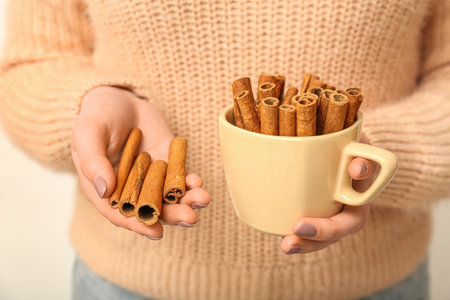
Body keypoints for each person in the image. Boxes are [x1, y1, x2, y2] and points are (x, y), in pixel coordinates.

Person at [1, 0, 449, 299]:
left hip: (375, 286)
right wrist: (87, 109)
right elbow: (33, 61)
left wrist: (373, 160)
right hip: (125, 286)